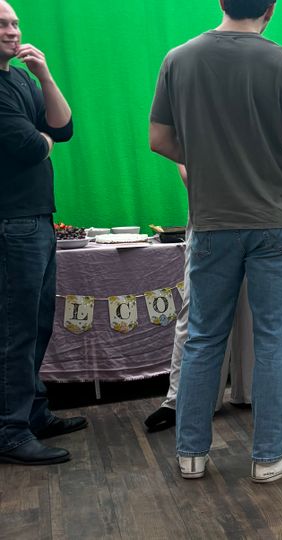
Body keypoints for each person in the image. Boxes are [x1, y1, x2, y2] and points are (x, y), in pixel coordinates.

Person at [149, 0, 282, 482]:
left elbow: (159, 140)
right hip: (275, 220)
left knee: (203, 337)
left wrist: (208, 156)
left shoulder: (178, 59)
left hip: (210, 221)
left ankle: (190, 455)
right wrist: (270, 150)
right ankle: (269, 457)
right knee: (272, 340)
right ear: (270, 8)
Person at [0, 0, 87, 466]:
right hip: (11, 222)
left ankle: (32, 413)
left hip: (35, 219)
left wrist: (46, 76)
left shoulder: (19, 78)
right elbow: (32, 146)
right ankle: (9, 431)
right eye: (2, 25)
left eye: (14, 23)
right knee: (14, 330)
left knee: (35, 324)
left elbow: (64, 127)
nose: (13, 32)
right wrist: (44, 139)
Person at [144, 165, 254, 433]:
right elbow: (185, 168)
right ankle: (184, 398)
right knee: (197, 311)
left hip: (254, 213)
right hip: (213, 214)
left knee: (250, 309)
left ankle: (251, 392)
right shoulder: (195, 122)